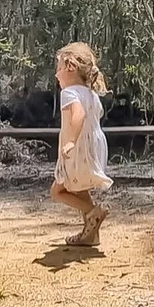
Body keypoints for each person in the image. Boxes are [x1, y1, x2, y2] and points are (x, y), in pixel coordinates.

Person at [51, 42, 113, 247]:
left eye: (58, 68)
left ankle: (92, 213)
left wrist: (69, 142)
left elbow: (78, 115)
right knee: (79, 190)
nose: (56, 75)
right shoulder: (91, 94)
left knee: (57, 191)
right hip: (94, 148)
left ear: (70, 67)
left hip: (77, 149)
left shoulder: (69, 93)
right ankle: (90, 234)